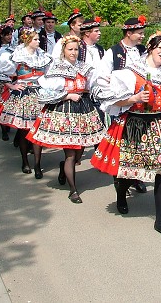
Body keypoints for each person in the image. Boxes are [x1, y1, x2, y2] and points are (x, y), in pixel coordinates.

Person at [91, 32, 161, 237]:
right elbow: (110, 100)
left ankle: (160, 221)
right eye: (160, 48)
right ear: (150, 48)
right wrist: (134, 97)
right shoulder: (131, 73)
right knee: (129, 171)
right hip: (136, 124)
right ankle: (121, 195)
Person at [26, 35, 105, 198]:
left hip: (83, 111)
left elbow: (91, 87)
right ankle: (73, 190)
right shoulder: (56, 69)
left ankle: (64, 169)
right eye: (70, 49)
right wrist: (67, 96)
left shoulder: (84, 67)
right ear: (63, 51)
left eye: (76, 49)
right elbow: (45, 92)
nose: (74, 52)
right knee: (70, 153)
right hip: (64, 111)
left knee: (78, 154)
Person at [0, 28, 51, 174]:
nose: (38, 42)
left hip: (39, 94)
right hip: (24, 95)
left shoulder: (43, 55)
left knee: (37, 130)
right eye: (35, 39)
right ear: (28, 40)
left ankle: (37, 164)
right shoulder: (16, 55)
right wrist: (11, 85)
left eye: (38, 39)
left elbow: (48, 74)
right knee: (23, 131)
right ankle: (25, 161)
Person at [95, 15, 149, 194]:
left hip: (140, 104)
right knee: (121, 144)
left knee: (139, 142)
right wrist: (113, 86)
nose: (142, 36)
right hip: (122, 105)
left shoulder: (143, 50)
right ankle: (119, 180)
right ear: (128, 32)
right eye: (139, 33)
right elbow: (101, 77)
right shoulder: (113, 52)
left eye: (142, 33)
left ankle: (135, 178)